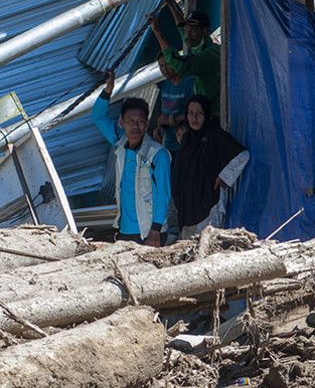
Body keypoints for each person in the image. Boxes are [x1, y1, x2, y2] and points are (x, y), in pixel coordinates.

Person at [91, 71, 171, 246]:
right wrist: (108, 91)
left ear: (147, 123)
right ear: (122, 122)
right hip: (124, 230)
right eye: (130, 121)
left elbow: (163, 195)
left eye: (140, 121)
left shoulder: (158, 154)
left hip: (149, 232)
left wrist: (156, 229)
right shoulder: (120, 143)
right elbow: (97, 116)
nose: (135, 126)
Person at [171, 94, 249, 239]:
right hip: (187, 208)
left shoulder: (215, 136)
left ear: (206, 114)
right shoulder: (187, 139)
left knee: (206, 247)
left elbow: (242, 155)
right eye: (190, 113)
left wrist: (224, 177)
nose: (194, 118)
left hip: (208, 204)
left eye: (199, 113)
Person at [148, 0, 220, 115]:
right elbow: (182, 28)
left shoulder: (209, 55)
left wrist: (157, 32)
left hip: (212, 114)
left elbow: (180, 65)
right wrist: (170, 3)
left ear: (204, 31)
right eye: (187, 30)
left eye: (193, 30)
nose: (188, 34)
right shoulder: (199, 46)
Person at [152, 53, 193, 153]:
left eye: (167, 64)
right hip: (169, 143)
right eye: (161, 65)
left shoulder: (189, 82)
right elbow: (164, 113)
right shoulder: (166, 84)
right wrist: (160, 127)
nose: (164, 69)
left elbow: (195, 114)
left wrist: (171, 120)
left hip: (186, 141)